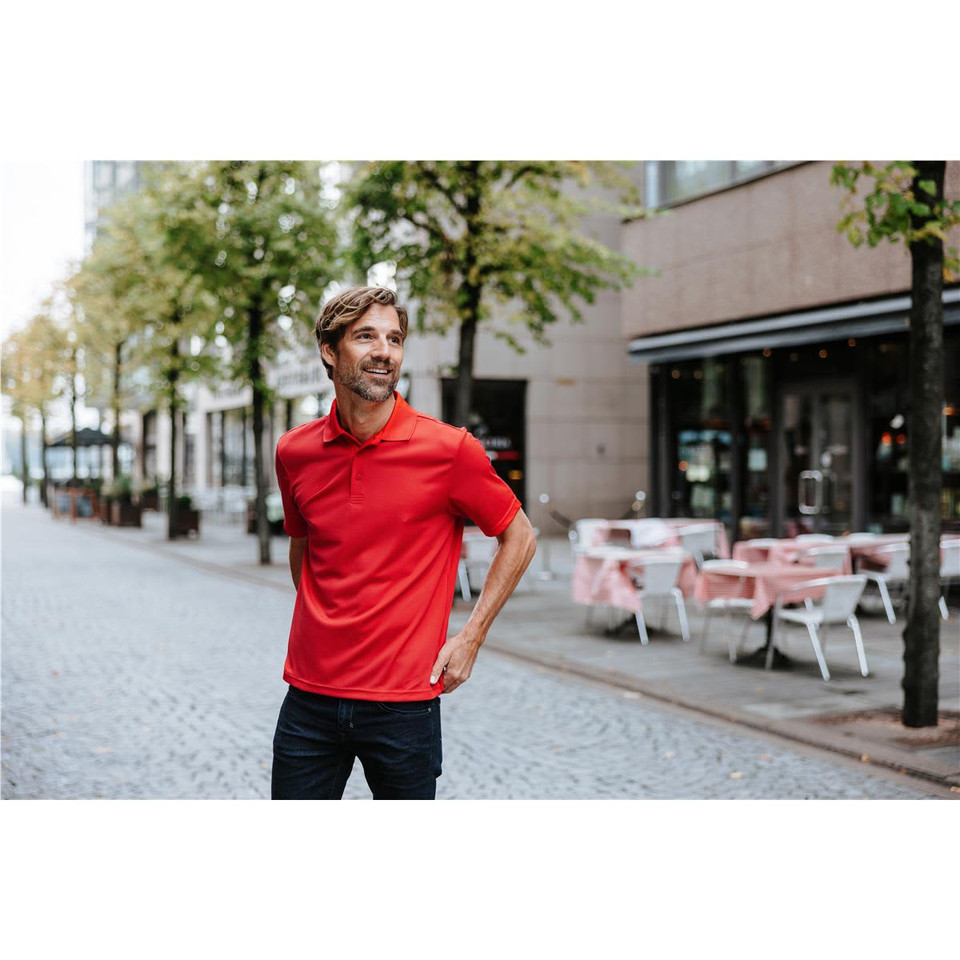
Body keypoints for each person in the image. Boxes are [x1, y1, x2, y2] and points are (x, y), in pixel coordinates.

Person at [271, 285, 536, 800]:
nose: (384, 351)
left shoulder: (450, 450)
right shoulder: (294, 451)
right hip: (308, 698)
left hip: (404, 704)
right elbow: (301, 548)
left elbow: (519, 536)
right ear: (330, 350)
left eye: (394, 339)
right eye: (365, 336)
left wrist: (471, 637)